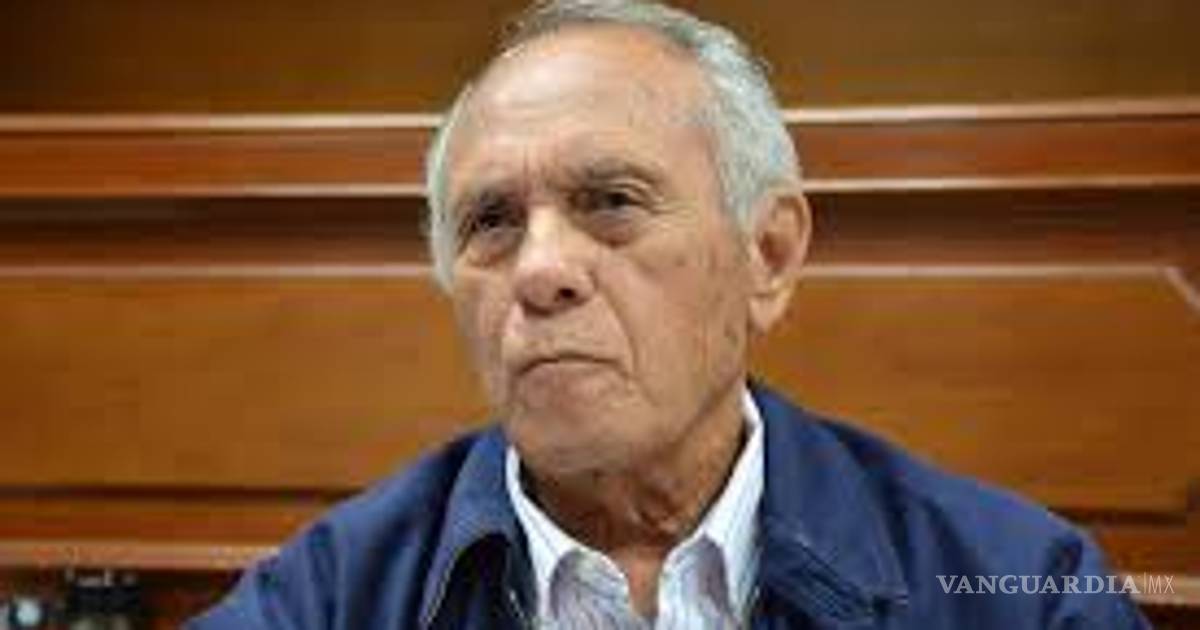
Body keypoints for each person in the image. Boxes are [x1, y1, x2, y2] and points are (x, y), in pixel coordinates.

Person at [190, 1, 1150, 628]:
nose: (541, 269)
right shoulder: (325, 599)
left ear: (767, 255)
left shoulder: (1022, 589)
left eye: (612, 201)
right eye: (491, 222)